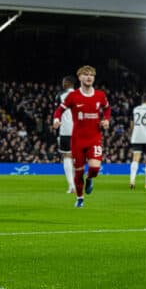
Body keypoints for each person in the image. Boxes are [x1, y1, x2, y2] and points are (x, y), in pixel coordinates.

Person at [52, 65, 111, 208]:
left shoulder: (100, 95)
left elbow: (107, 108)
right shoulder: (73, 96)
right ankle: (79, 198)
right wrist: (56, 120)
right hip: (77, 140)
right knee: (78, 172)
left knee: (94, 168)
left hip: (94, 138)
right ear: (79, 77)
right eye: (86, 74)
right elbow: (59, 110)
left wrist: (106, 120)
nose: (89, 77)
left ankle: (90, 179)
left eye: (92, 74)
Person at [55, 75, 76, 193]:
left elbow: (57, 111)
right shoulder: (81, 94)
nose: (62, 84)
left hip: (66, 129)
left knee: (67, 156)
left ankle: (71, 185)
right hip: (79, 129)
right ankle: (76, 183)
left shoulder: (61, 96)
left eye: (64, 82)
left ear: (68, 83)